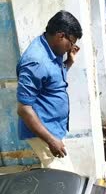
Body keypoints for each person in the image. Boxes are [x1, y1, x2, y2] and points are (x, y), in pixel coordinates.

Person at [16, 11, 82, 172]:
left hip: (54, 126)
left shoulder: (52, 50)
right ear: (61, 36)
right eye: (70, 42)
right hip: (45, 130)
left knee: (52, 176)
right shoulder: (35, 61)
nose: (70, 47)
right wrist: (50, 140)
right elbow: (23, 109)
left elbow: (52, 79)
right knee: (65, 179)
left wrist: (69, 62)